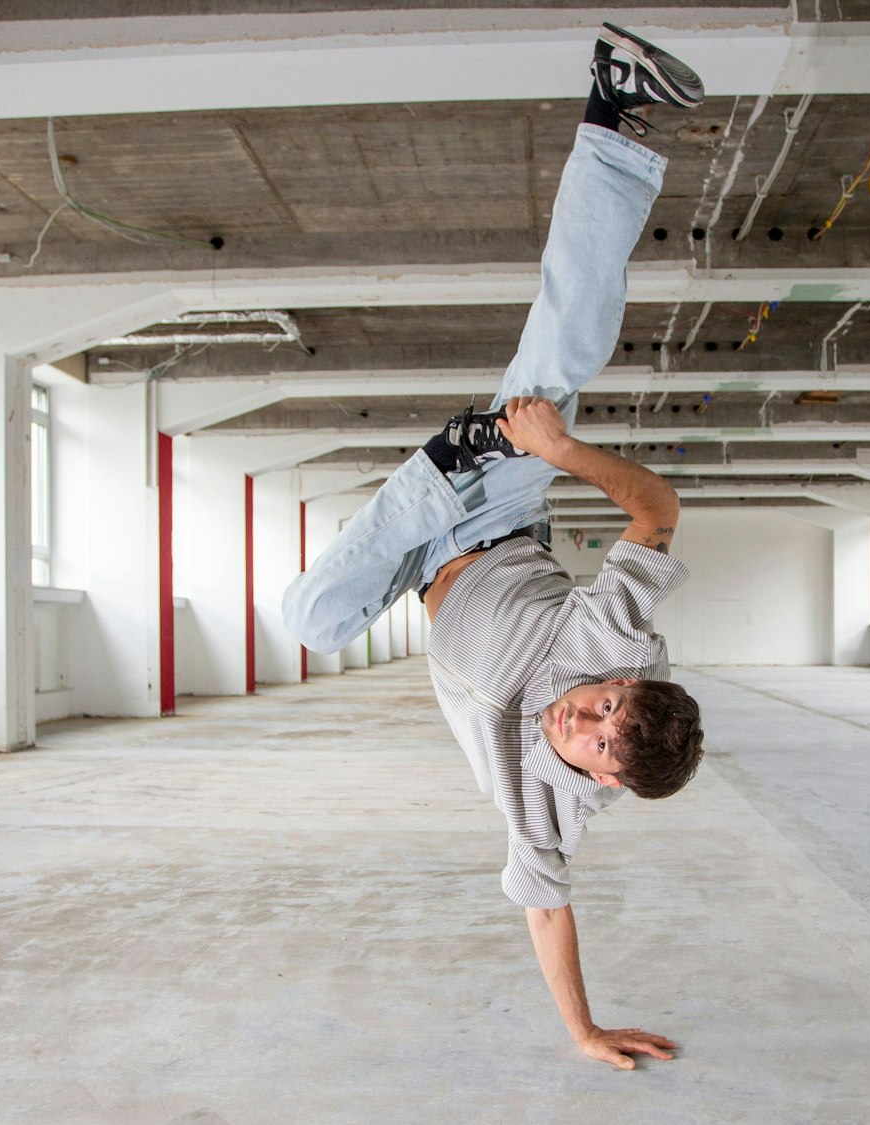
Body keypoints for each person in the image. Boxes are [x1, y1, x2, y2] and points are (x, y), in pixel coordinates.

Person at [283, 24, 706, 1070]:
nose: (582, 716)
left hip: (417, 546)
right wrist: (557, 451)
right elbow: (655, 508)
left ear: (605, 780)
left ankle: (432, 468)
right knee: (560, 360)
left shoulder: (550, 810)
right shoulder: (616, 642)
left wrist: (582, 1029)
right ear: (623, 681)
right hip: (497, 508)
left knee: (309, 621)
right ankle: (615, 109)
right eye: (604, 704)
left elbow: (548, 909)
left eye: (596, 738)